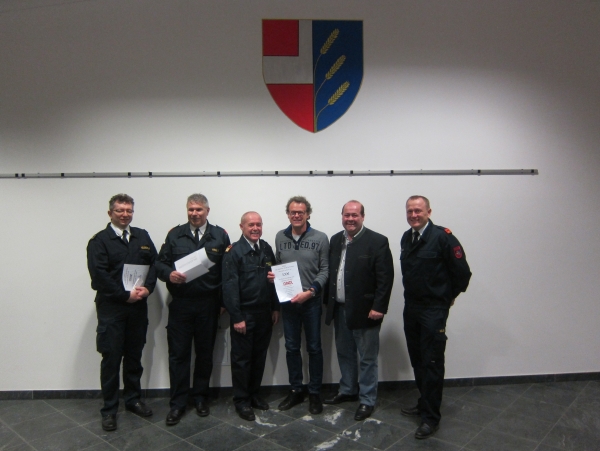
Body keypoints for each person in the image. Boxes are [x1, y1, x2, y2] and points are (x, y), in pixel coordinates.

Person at [399, 195, 471, 439]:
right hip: (412, 308)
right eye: (410, 211)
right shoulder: (407, 237)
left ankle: (431, 418)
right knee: (418, 360)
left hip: (433, 310)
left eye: (418, 210)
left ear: (428, 212)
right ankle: (424, 403)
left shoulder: (443, 237)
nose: (413, 215)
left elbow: (463, 273)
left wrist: (447, 298)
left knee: (431, 363)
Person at [155, 193, 230, 425]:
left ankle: (200, 398)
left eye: (199, 209)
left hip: (209, 304)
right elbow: (159, 263)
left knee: (205, 354)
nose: (194, 213)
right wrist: (169, 274)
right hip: (181, 304)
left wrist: (223, 303)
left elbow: (227, 272)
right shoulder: (175, 234)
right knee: (178, 355)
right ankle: (178, 403)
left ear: (207, 211)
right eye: (191, 209)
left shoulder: (220, 235)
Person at [87, 194, 158, 432]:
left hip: (137, 308)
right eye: (120, 210)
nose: (125, 214)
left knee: (134, 356)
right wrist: (124, 295)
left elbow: (154, 264)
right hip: (112, 310)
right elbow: (99, 277)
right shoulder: (99, 241)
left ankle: (133, 399)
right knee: (111, 359)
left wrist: (148, 288)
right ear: (110, 213)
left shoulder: (142, 236)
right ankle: (109, 409)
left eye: (129, 210)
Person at [324, 200, 394, 421]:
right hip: (340, 309)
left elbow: (385, 278)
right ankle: (348, 390)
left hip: (366, 311)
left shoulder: (378, 241)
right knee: (344, 353)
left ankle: (367, 399)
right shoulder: (335, 240)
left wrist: (379, 307)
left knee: (367, 358)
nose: (350, 219)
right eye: (347, 215)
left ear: (363, 216)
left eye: (355, 215)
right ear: (342, 216)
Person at [222, 212, 280, 421]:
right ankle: (241, 400)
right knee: (241, 360)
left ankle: (254, 394)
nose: (255, 228)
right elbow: (229, 287)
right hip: (244, 315)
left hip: (264, 313)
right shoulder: (234, 252)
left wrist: (275, 307)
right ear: (242, 227)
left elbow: (274, 279)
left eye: (258, 224)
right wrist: (237, 317)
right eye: (251, 225)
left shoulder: (266, 248)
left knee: (259, 357)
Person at [274, 196, 329, 414]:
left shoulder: (320, 238)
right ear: (288, 214)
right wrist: (274, 277)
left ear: (308, 214)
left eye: (301, 212)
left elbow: (325, 269)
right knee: (291, 347)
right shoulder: (280, 236)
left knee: (314, 348)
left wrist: (311, 291)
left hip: (311, 302)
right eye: (293, 212)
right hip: (289, 303)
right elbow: (278, 265)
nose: (296, 215)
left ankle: (314, 392)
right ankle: (296, 390)